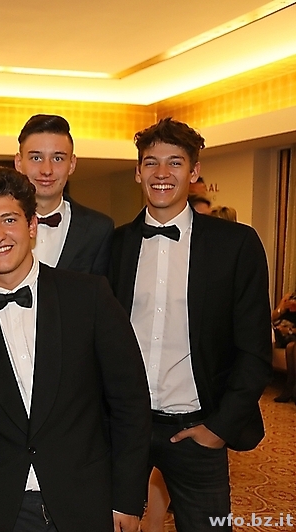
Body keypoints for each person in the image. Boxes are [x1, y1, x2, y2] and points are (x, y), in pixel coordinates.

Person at [0, 167, 150, 532]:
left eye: (9, 220)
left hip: (89, 503)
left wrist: (127, 497)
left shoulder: (89, 296)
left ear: (32, 226)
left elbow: (130, 402)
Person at [109, 117, 271, 532]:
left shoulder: (235, 244)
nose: (161, 173)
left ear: (194, 171)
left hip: (197, 429)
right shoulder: (114, 244)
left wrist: (218, 428)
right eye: (151, 163)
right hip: (122, 427)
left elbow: (254, 349)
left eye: (175, 163)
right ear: (138, 171)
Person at [13, 114, 114, 275]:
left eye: (58, 158)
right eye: (36, 158)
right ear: (19, 163)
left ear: (72, 164)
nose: (47, 170)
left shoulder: (98, 229)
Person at [272, 292, 296, 402]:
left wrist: (289, 330)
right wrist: (282, 308)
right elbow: (272, 317)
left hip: (291, 333)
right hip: (280, 331)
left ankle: (289, 388)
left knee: (291, 347)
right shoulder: (289, 296)